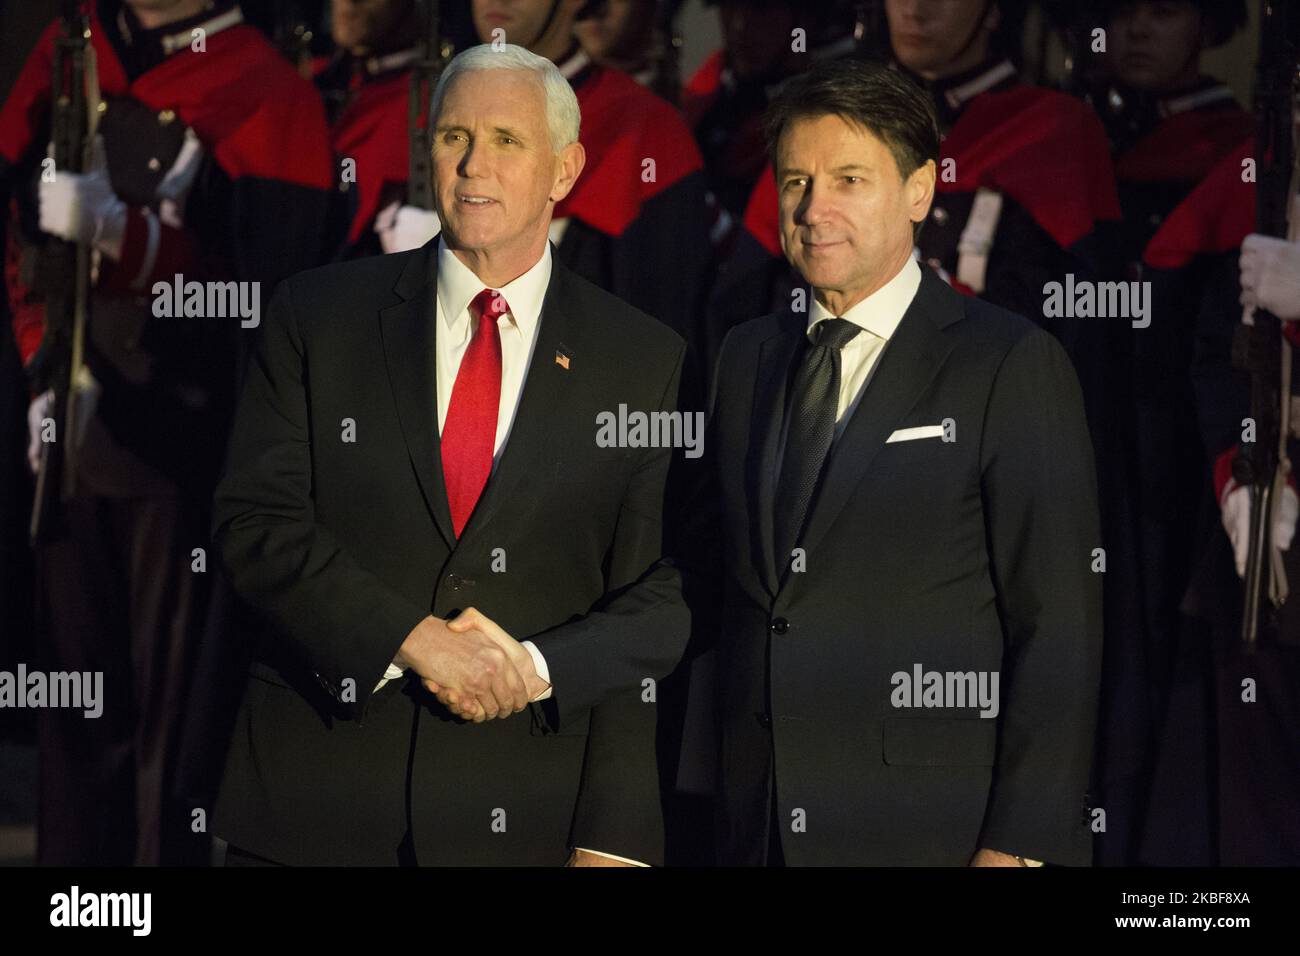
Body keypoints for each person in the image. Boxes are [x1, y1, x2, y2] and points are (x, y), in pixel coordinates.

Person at [211, 43, 691, 866]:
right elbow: (255, 525)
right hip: (312, 800)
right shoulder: (318, 316)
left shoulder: (641, 358)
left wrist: (614, 839)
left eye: (507, 140)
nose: (473, 165)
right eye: (452, 136)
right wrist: (411, 639)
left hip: (521, 814)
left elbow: (649, 599)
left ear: (565, 169)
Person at [696, 59, 1102, 866]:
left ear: (919, 191)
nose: (816, 210)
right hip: (760, 820)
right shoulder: (745, 356)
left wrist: (1020, 846)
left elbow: (1059, 624)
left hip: (934, 829)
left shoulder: (1010, 363)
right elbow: (719, 584)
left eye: (850, 179)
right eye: (795, 181)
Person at [0, 0, 335, 865]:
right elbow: (21, 232)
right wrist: (43, 369)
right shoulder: (73, 46)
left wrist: (131, 238)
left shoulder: (268, 88)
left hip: (184, 453)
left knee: (171, 734)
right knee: (74, 719)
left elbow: (263, 297)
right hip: (75, 433)